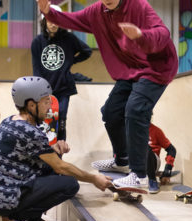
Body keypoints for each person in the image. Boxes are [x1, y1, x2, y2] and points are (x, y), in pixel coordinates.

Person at [37, 0, 178, 190]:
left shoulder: (138, 5)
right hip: (130, 70)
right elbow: (72, 19)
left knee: (135, 109)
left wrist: (141, 35)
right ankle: (121, 160)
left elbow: (163, 33)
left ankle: (139, 174)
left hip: (156, 68)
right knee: (111, 112)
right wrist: (49, 13)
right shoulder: (97, 12)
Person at [0, 76, 112, 221]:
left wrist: (53, 149)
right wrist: (94, 179)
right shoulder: (31, 132)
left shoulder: (10, 121)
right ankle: (12, 218)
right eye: (46, 102)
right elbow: (61, 167)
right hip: (3, 200)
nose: (50, 108)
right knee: (70, 184)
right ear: (31, 105)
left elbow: (27, 153)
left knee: (49, 167)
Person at [32, 4, 92, 141]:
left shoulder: (69, 38)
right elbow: (36, 69)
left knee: (61, 119)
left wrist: (70, 61)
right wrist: (40, 91)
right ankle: (46, 153)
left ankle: (59, 153)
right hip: (45, 89)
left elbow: (87, 51)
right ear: (44, 21)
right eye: (50, 20)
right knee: (46, 122)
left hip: (64, 87)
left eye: (56, 21)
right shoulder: (37, 42)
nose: (53, 24)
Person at [147, 123, 176, 193]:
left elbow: (171, 150)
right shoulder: (131, 129)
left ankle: (152, 180)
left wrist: (167, 170)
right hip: (137, 162)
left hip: (153, 161)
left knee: (144, 147)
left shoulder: (156, 131)